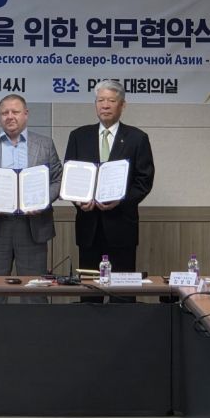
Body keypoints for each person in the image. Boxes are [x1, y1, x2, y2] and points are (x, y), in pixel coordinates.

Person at [64, 79, 155, 303]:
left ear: (122, 105)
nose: (105, 105)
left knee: (122, 294)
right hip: (88, 226)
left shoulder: (137, 138)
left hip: (122, 225)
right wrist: (78, 201)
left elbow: (144, 180)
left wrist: (120, 201)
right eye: (100, 100)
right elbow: (70, 177)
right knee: (89, 294)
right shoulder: (78, 136)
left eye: (111, 101)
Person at [0, 94, 62, 303]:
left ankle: (33, 326)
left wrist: (44, 200)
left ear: (26, 114)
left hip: (33, 226)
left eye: (15, 112)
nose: (10, 116)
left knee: (34, 293)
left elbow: (58, 178)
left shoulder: (45, 144)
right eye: (5, 113)